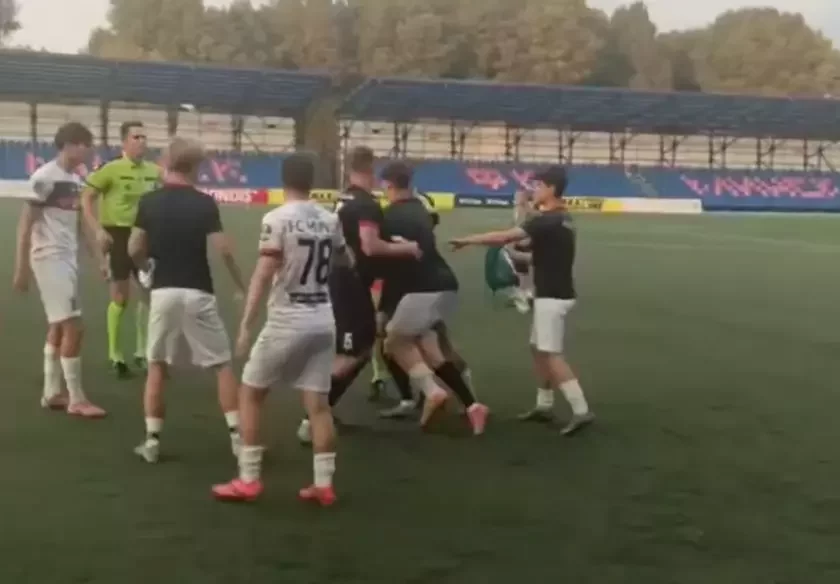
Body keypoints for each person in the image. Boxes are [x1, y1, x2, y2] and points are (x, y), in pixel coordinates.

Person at [212, 153, 351, 504]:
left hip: (288, 319)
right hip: (323, 318)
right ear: (312, 181)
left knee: (251, 393)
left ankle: (248, 478)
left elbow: (263, 274)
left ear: (283, 179)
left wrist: (246, 325)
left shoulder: (277, 219)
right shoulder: (329, 219)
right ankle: (324, 484)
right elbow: (345, 260)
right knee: (318, 405)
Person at [450, 166, 594, 435]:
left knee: (551, 354)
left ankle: (581, 410)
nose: (534, 190)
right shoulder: (562, 218)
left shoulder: (547, 221)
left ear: (551, 188)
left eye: (539, 185)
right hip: (554, 292)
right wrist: (523, 211)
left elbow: (507, 237)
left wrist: (467, 240)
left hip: (552, 296)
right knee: (538, 348)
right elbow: (526, 248)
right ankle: (544, 404)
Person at [127, 137, 247, 463]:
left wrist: (145, 270)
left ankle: (152, 442)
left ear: (168, 162)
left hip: (163, 292)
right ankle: (238, 439)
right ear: (195, 167)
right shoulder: (205, 203)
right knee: (221, 366)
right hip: (198, 291)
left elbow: (134, 248)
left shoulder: (149, 202)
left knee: (156, 366)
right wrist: (241, 285)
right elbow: (224, 250)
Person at [295, 146, 421, 445]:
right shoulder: (366, 204)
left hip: (338, 281)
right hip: (350, 285)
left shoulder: (344, 198)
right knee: (356, 351)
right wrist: (407, 248)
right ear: (369, 168)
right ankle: (312, 417)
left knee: (353, 349)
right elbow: (369, 245)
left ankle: (320, 411)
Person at [378, 161, 489, 435]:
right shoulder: (421, 209)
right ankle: (473, 405)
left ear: (388, 185)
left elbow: (388, 260)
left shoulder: (388, 216)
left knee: (393, 341)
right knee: (431, 346)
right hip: (446, 285)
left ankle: (432, 392)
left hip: (422, 289)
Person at [13, 122, 107, 418]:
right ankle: (76, 399)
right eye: (85, 144)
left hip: (67, 259)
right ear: (69, 145)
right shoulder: (45, 177)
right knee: (74, 327)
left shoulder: (75, 179)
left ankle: (52, 393)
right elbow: (25, 225)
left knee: (57, 325)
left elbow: (79, 226)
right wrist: (21, 268)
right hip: (49, 258)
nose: (89, 150)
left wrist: (98, 259)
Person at [82, 121, 163, 378]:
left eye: (144, 137)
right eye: (136, 137)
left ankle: (142, 352)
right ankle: (115, 355)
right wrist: (97, 228)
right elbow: (86, 198)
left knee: (149, 295)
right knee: (120, 296)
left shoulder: (155, 171)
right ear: (124, 142)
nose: (142, 141)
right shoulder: (110, 169)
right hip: (117, 235)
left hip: (146, 236)